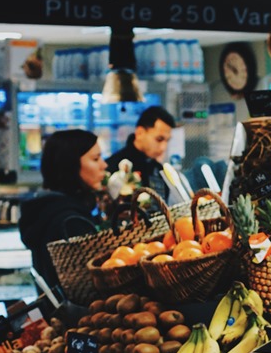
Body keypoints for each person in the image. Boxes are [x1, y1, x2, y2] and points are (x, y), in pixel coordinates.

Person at [18, 129, 108, 289]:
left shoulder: (47, 208)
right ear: (71, 165)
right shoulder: (71, 220)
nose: (104, 165)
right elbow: (89, 286)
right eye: (96, 159)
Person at [105, 105, 176, 201]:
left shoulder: (158, 169)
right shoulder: (115, 165)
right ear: (140, 133)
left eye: (167, 141)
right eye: (159, 139)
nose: (164, 147)